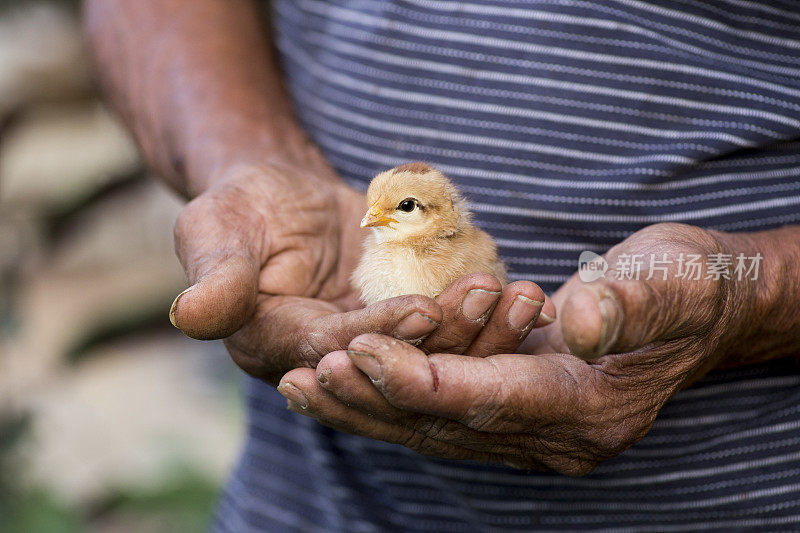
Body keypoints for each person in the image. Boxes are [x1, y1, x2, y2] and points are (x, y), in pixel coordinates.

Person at [85, 0, 800, 530]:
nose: (375, 222)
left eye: (396, 211)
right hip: (303, 503)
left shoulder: (458, 251)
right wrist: (243, 154)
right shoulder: (382, 251)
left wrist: (760, 288)